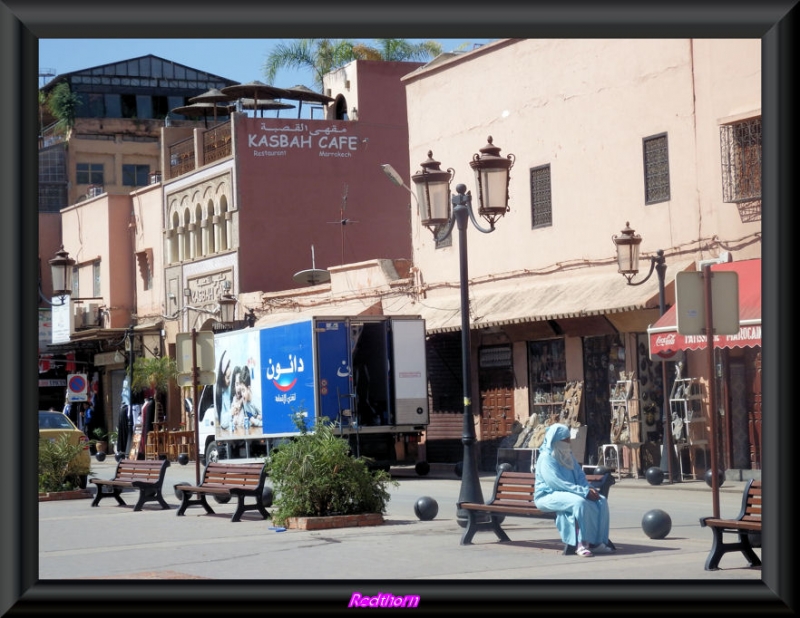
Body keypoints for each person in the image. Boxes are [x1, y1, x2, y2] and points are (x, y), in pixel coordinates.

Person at [533, 423, 613, 557]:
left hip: (569, 493)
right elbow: (556, 483)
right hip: (548, 495)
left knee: (601, 501)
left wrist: (588, 488)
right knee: (579, 503)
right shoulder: (546, 458)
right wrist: (583, 492)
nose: (568, 442)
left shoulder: (567, 455)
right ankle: (581, 543)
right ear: (556, 440)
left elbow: (579, 476)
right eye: (565, 439)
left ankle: (597, 542)